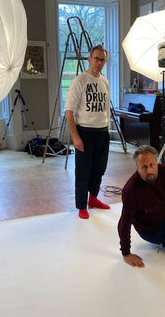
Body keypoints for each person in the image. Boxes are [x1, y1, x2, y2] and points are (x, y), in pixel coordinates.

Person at [65, 45, 111, 220]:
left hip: (102, 132)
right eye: (96, 59)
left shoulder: (105, 81)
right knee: (83, 171)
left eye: (102, 60)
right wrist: (75, 136)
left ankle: (93, 199)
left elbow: (106, 108)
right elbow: (69, 110)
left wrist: (107, 129)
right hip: (85, 132)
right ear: (89, 59)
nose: (99, 63)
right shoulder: (80, 81)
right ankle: (81, 206)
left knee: (99, 169)